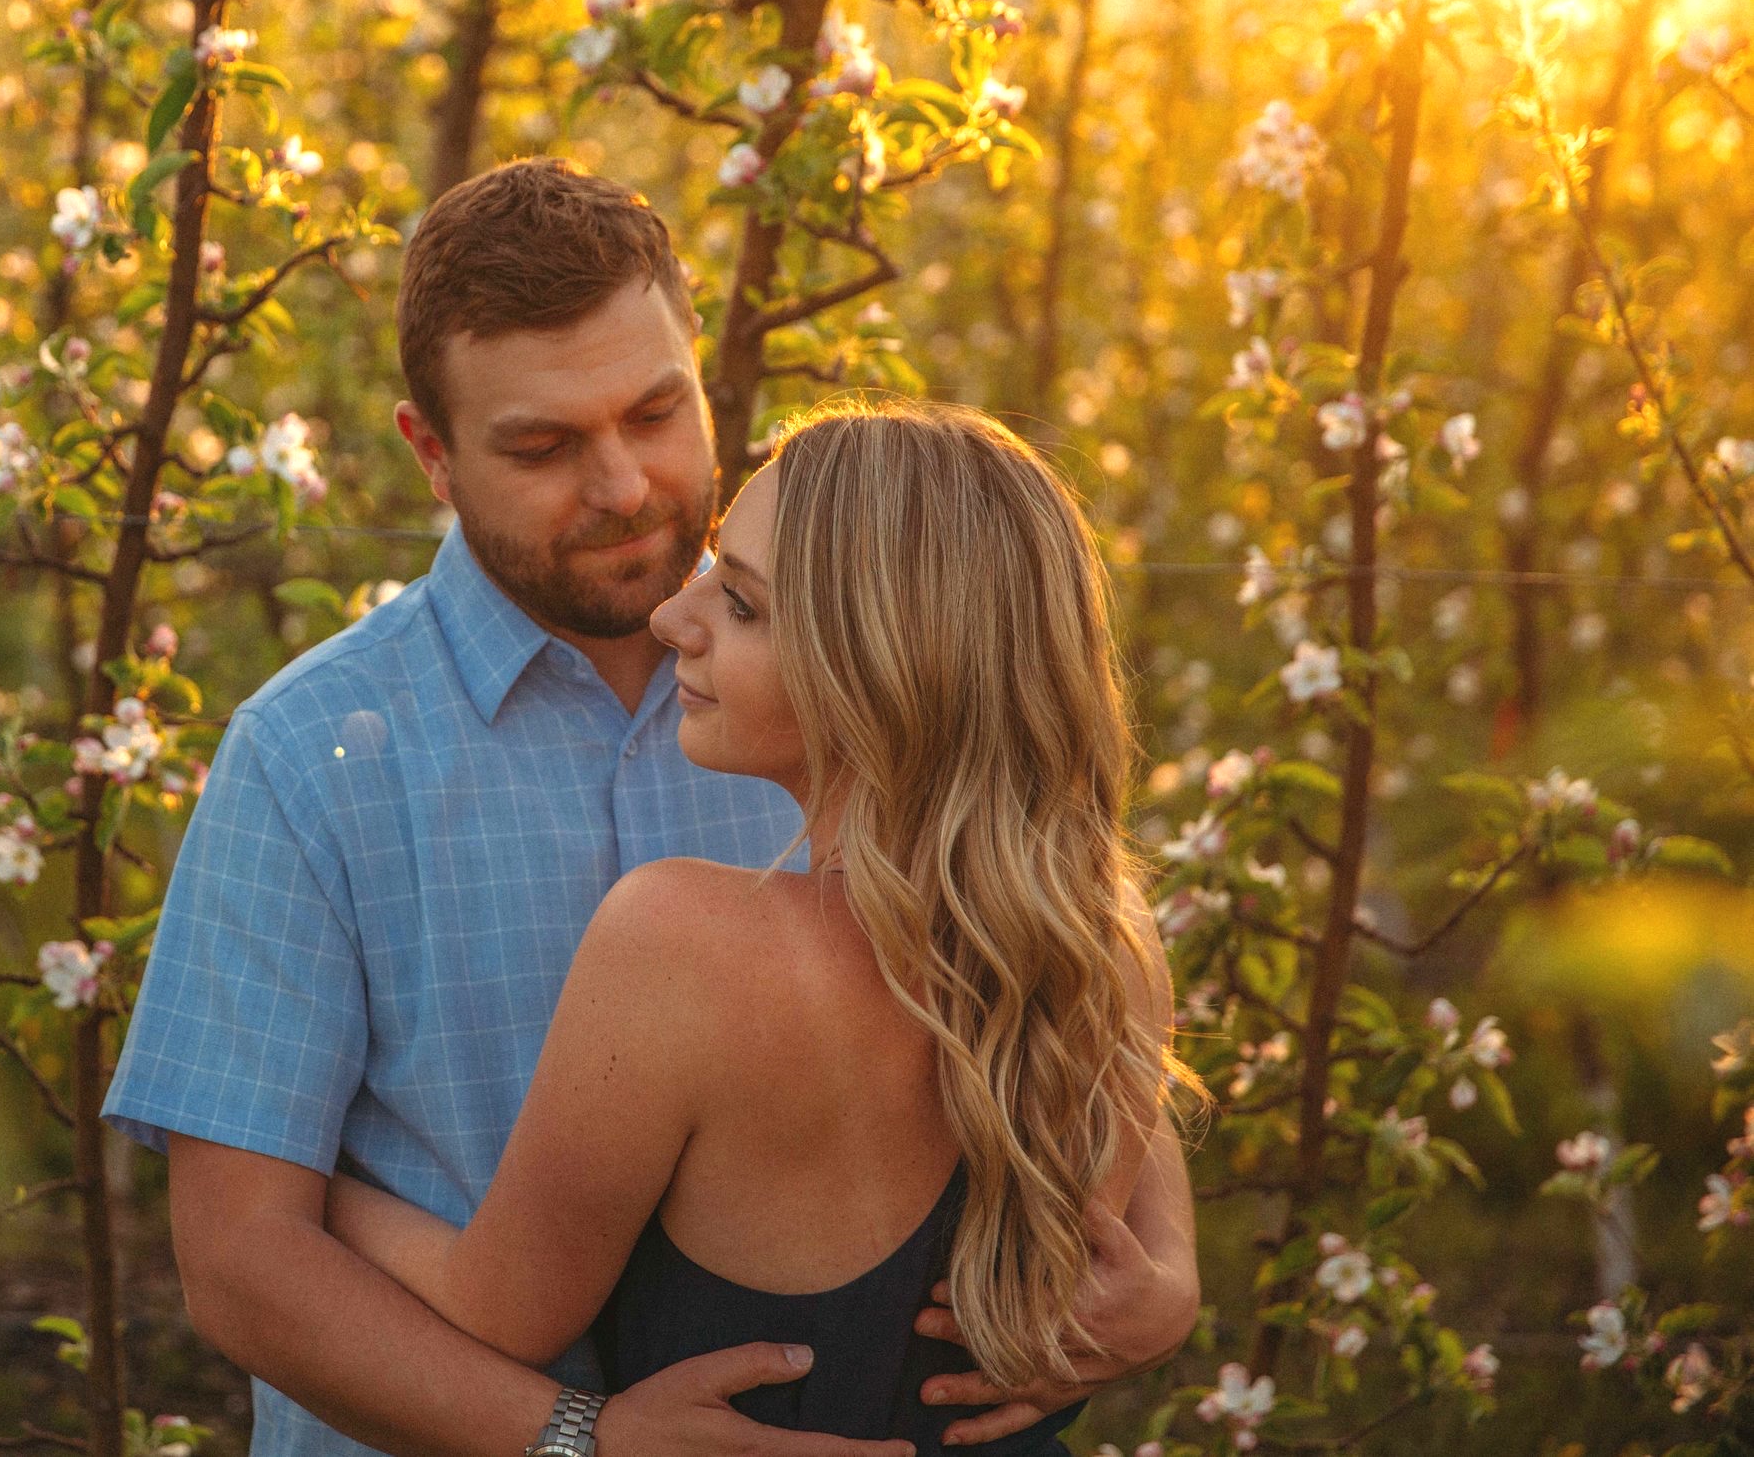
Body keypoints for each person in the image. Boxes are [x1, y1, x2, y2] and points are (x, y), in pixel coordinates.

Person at [103, 160, 1199, 1457]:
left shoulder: (841, 668)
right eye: (543, 443)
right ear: (432, 454)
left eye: (656, 409)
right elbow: (240, 1267)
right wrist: (579, 1440)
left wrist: (1167, 1265)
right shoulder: (307, 759)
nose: (624, 485)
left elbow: (1051, 961)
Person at [322, 399, 1205, 1453]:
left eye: (739, 604)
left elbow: (506, 1307)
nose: (670, 620)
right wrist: (1177, 1274)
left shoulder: (683, 942)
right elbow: (1141, 1190)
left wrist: (312, 1187)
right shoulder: (1103, 947)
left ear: (879, 668)